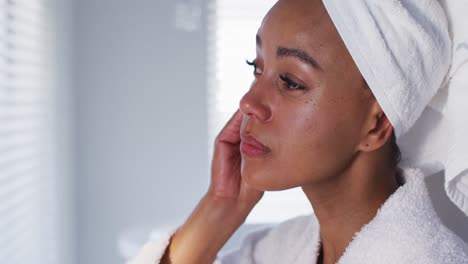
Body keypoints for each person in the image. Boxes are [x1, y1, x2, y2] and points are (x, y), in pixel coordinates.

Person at [129, 0, 468, 263]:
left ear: (376, 124)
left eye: (290, 82)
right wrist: (220, 207)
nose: (248, 102)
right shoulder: (281, 252)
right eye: (256, 67)